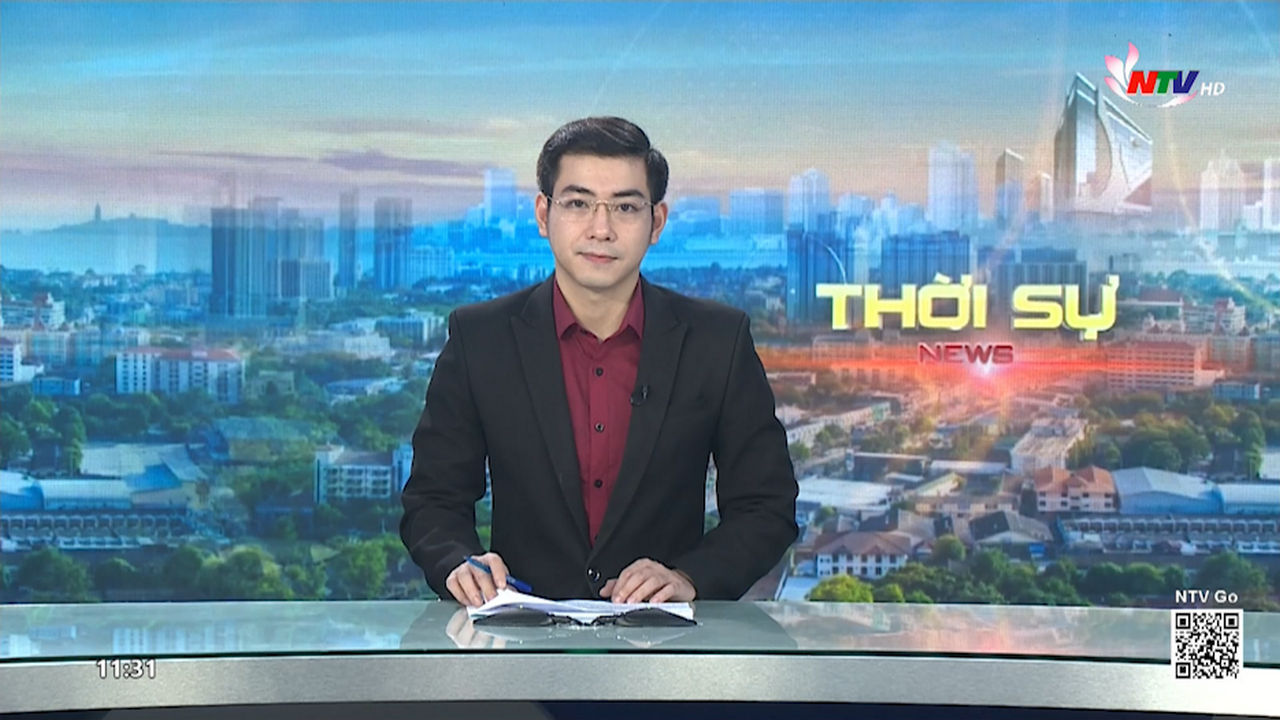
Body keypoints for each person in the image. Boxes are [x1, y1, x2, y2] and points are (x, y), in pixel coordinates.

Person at [400, 116, 797, 606]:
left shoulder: (717, 341)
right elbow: (433, 499)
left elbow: (766, 506)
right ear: (543, 214)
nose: (601, 229)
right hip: (520, 639)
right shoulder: (481, 339)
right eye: (578, 203)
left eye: (626, 207)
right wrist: (460, 562)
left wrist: (690, 577)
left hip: (663, 641)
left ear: (657, 222)